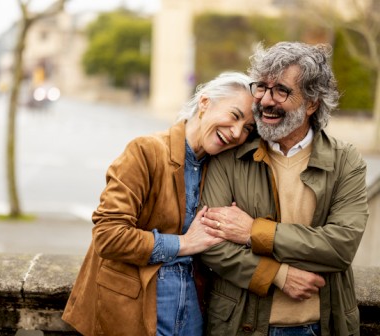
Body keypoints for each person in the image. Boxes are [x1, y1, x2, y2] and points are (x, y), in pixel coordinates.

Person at [62, 72, 256, 336]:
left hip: (191, 318)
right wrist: (183, 243)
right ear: (205, 103)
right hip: (133, 314)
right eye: (234, 115)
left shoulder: (220, 168)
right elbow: (108, 236)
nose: (236, 132)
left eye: (247, 128)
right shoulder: (146, 151)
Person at [199, 41, 369, 336]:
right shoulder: (230, 155)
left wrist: (253, 231)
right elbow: (212, 244)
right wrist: (277, 274)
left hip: (323, 325)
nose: (265, 100)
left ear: (312, 103)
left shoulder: (346, 161)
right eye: (262, 87)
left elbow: (341, 246)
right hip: (241, 325)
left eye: (281, 91)